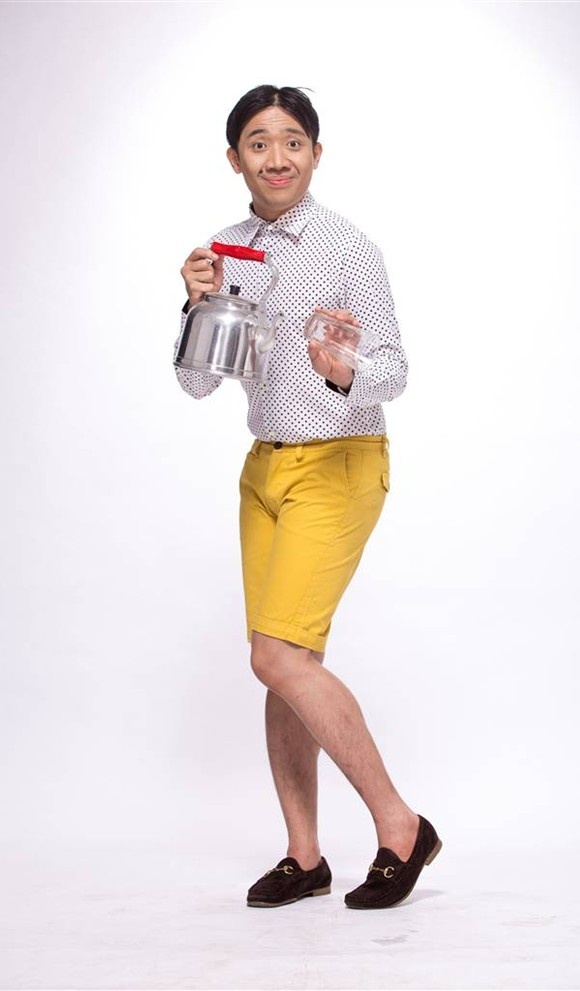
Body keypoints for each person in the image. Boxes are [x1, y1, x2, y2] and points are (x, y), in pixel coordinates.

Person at [175, 84, 442, 910]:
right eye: (258, 142)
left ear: (316, 154)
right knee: (288, 667)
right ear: (235, 159)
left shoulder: (347, 246)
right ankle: (305, 855)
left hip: (340, 461)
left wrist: (342, 369)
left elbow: (395, 371)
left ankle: (401, 825)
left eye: (293, 141)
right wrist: (196, 303)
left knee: (275, 655)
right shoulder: (227, 248)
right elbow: (197, 383)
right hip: (265, 468)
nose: (277, 157)